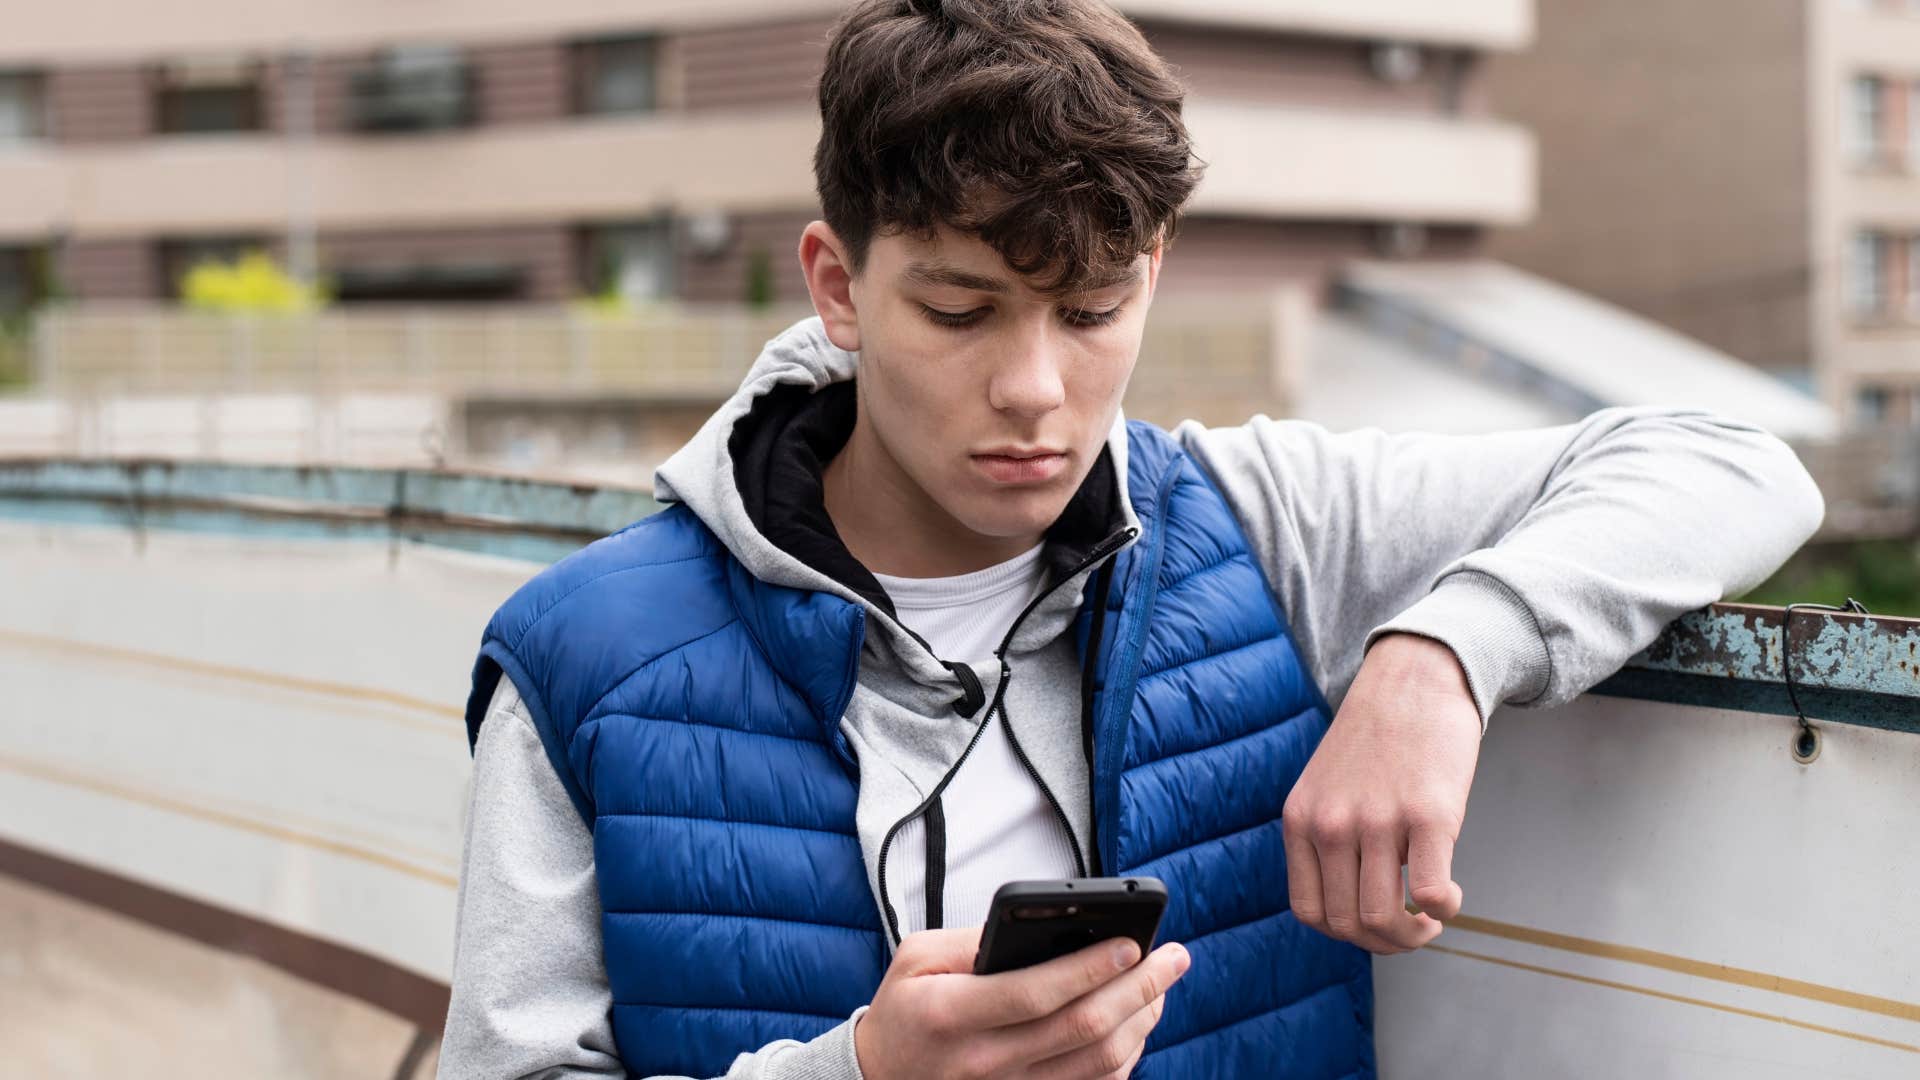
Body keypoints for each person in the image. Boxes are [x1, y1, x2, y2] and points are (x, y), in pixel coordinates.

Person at [438, 2, 1825, 1077]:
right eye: (963, 311)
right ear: (837, 286)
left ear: (1151, 275)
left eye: (1094, 313)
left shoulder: (1257, 518)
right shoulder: (584, 663)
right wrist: (862, 1069)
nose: (1038, 392)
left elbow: (1731, 462)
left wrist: (1444, 652)